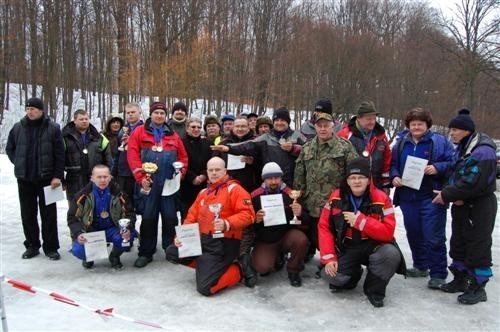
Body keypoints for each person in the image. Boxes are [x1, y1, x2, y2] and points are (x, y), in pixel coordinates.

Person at [318, 157, 405, 308]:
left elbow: (388, 233)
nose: (357, 181)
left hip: (375, 244)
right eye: (352, 178)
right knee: (335, 278)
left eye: (361, 177)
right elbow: (324, 227)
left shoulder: (381, 198)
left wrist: (361, 222)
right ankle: (353, 273)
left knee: (390, 255)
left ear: (368, 179)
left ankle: (374, 289)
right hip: (349, 246)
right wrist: (329, 258)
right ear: (347, 180)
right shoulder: (336, 197)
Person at [432, 109, 497, 305]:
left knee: (478, 245)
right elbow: (452, 174)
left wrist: (447, 195)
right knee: (458, 242)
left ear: (467, 131)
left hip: (479, 206)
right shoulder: (461, 148)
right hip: (462, 204)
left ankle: (478, 287)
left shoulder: (483, 151)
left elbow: (473, 182)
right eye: (451, 129)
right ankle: (460, 278)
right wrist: (450, 192)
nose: (451, 133)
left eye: (455, 129)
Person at [165, 157, 255, 296]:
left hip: (223, 243)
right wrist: (180, 237)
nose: (214, 173)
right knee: (172, 252)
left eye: (217, 169)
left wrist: (227, 223)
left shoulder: (235, 189)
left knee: (206, 288)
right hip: (203, 240)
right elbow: (191, 218)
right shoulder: (203, 193)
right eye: (211, 170)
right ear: (207, 172)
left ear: (225, 171)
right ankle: (207, 267)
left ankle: (238, 269)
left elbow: (249, 215)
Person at [391, 108, 454, 289]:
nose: (416, 127)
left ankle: (438, 273)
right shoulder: (402, 143)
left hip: (430, 196)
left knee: (433, 236)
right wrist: (395, 176)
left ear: (427, 125)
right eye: (413, 124)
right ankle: (420, 265)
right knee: (414, 233)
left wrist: (438, 167)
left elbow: (453, 162)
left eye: (420, 124)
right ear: (408, 126)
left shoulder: (439, 142)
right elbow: (394, 164)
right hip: (408, 196)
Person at [127, 101, 188, 268]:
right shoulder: (139, 132)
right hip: (149, 184)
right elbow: (132, 156)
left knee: (170, 217)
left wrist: (180, 175)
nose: (159, 116)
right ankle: (146, 252)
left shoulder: (173, 135)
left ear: (165, 116)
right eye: (156, 113)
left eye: (162, 113)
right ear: (151, 114)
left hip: (168, 184)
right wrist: (141, 178)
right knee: (148, 217)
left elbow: (183, 157)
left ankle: (170, 249)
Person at [294, 111, 358, 261]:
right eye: (319, 126)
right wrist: (298, 198)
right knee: (312, 234)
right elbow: (299, 175)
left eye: (326, 126)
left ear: (333, 127)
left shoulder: (344, 147)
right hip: (311, 202)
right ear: (315, 127)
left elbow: (354, 173)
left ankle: (336, 261)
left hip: (334, 203)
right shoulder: (307, 147)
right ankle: (309, 255)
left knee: (333, 237)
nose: (323, 129)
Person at [6, 97, 65, 260]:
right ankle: (32, 245)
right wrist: (19, 163)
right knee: (27, 213)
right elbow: (10, 148)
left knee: (49, 215)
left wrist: (57, 176)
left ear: (41, 111)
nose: (30, 112)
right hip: (25, 179)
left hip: (47, 179)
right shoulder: (18, 127)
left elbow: (60, 154)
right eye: (28, 109)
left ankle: (51, 247)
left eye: (33, 109)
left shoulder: (53, 128)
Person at [211, 107, 306, 187]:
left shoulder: (297, 135)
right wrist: (229, 148)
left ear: (288, 122)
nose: (279, 123)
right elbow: (247, 145)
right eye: (277, 120)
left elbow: (308, 150)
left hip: (291, 182)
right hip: (270, 181)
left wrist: (293, 149)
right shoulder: (265, 138)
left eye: (282, 120)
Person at [251, 162, 309, 287]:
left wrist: (300, 213)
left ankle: (293, 270)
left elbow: (306, 220)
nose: (273, 181)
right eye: (269, 178)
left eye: (276, 177)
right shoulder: (255, 196)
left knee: (301, 239)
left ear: (281, 178)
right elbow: (247, 223)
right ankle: (276, 257)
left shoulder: (291, 194)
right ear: (264, 179)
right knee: (262, 268)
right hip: (266, 239)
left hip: (285, 235)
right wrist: (255, 220)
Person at [67, 165, 136, 269]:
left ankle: (114, 256)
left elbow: (130, 214)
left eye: (105, 176)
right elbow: (72, 218)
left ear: (110, 177)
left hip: (113, 229)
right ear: (92, 178)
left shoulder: (120, 194)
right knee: (78, 250)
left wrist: (127, 229)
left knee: (126, 239)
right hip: (91, 231)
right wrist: (79, 233)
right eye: (99, 177)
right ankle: (88, 257)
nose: (102, 180)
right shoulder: (82, 196)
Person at [337, 101, 391, 191]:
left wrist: (386, 185)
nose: (372, 122)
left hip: (376, 187)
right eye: (369, 119)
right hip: (352, 188)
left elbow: (387, 160)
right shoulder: (345, 135)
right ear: (358, 118)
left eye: (374, 119)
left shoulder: (381, 136)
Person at [62, 109, 113, 203]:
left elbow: (108, 160)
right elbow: (59, 160)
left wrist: (108, 176)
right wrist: (61, 179)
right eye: (81, 119)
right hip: (74, 181)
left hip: (95, 180)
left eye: (86, 119)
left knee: (95, 209)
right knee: (75, 210)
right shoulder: (64, 138)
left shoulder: (100, 138)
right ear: (74, 121)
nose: (84, 121)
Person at [213, 117, 260, 193]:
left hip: (250, 186)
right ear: (233, 128)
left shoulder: (255, 142)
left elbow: (263, 164)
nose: (240, 129)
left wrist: (253, 162)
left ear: (248, 127)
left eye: (243, 126)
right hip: (227, 185)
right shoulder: (224, 143)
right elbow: (214, 162)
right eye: (237, 126)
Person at [113, 102, 144, 209]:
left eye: (133, 112)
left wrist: (132, 141)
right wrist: (114, 171)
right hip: (123, 173)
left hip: (138, 172)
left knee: (140, 204)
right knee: (124, 204)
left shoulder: (145, 129)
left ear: (140, 113)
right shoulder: (122, 131)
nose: (130, 115)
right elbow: (118, 152)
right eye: (128, 113)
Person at [180, 117, 212, 215]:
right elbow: (179, 162)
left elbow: (211, 161)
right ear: (187, 128)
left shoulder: (207, 143)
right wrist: (192, 177)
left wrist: (204, 175)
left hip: (204, 185)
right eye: (193, 127)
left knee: (203, 215)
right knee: (187, 215)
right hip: (186, 185)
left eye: (199, 127)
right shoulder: (181, 142)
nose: (196, 129)